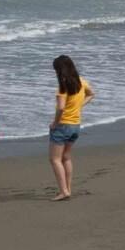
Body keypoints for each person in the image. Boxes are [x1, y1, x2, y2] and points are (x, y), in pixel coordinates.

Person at [48, 54, 94, 201]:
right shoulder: (81, 82)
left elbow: (61, 108)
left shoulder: (63, 87)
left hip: (63, 125)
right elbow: (91, 94)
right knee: (66, 157)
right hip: (75, 125)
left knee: (55, 159)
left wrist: (55, 123)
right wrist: (79, 106)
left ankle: (63, 191)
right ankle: (67, 188)